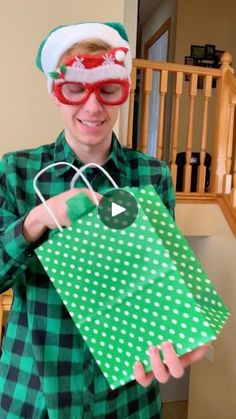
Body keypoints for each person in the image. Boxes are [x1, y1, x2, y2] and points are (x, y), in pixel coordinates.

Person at [0, 21, 208, 418]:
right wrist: (38, 219)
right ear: (55, 93)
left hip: (126, 396)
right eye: (75, 89)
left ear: (122, 92)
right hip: (34, 393)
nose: (93, 106)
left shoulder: (152, 175)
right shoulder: (17, 170)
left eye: (108, 89)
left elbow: (164, 280)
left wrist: (188, 335)